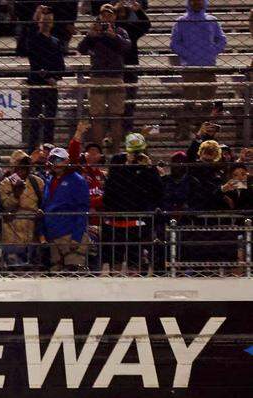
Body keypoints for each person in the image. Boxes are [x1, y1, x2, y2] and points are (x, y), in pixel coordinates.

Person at [101, 132, 161, 272]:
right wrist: (128, 164)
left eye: (139, 151)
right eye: (134, 151)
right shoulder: (118, 160)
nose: (136, 154)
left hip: (138, 216)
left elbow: (157, 190)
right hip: (117, 215)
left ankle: (135, 278)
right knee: (115, 258)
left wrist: (150, 168)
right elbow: (112, 186)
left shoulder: (147, 164)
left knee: (135, 258)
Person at [170, 0, 227, 140]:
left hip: (208, 67)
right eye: (194, 0)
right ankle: (185, 131)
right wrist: (188, 54)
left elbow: (222, 40)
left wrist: (211, 51)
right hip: (189, 68)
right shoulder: (181, 21)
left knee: (208, 102)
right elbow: (174, 43)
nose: (197, 2)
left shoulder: (212, 20)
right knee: (189, 101)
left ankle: (204, 132)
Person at [76, 4, 130, 151]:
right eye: (103, 14)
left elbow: (127, 48)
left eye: (110, 14)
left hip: (115, 76)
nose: (106, 17)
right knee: (97, 117)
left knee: (116, 117)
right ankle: (97, 151)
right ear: (99, 16)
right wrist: (90, 35)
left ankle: (116, 151)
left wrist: (114, 36)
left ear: (115, 16)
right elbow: (80, 49)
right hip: (97, 76)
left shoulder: (120, 31)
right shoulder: (94, 33)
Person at [17, 5, 66, 152]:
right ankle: (32, 151)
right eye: (43, 20)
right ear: (39, 22)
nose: (46, 23)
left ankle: (48, 151)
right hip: (36, 84)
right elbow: (24, 46)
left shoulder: (56, 41)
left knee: (50, 121)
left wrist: (54, 76)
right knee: (34, 122)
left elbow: (61, 66)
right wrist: (45, 75)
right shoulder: (33, 39)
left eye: (49, 21)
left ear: (52, 23)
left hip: (51, 85)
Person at [40, 146, 90, 271]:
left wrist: (76, 237)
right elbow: (45, 206)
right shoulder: (50, 180)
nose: (56, 164)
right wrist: (43, 233)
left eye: (59, 160)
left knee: (73, 273)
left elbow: (82, 209)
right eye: (53, 160)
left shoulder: (77, 180)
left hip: (69, 233)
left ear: (67, 161)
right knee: (55, 273)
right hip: (53, 234)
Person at [0, 150, 45, 270]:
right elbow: (6, 205)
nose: (22, 169)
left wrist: (41, 211)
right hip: (12, 233)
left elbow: (44, 202)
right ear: (14, 167)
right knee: (14, 270)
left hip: (32, 232)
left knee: (32, 270)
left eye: (25, 165)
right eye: (19, 166)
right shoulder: (5, 184)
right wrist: (16, 195)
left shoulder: (37, 182)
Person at [113, 0, 150, 134]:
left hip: (130, 65)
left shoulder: (131, 28)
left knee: (129, 100)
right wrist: (114, 9)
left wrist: (138, 10)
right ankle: (115, 130)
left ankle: (127, 129)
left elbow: (146, 25)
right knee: (114, 101)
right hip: (112, 67)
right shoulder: (110, 27)